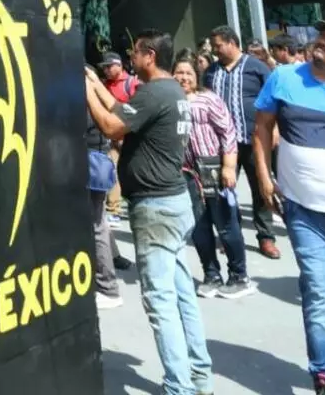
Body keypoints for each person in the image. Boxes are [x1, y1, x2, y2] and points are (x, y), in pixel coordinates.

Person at [86, 31, 213, 395]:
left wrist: (84, 93)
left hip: (156, 208)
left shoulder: (154, 93)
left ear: (150, 56)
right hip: (174, 203)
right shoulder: (169, 91)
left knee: (160, 301)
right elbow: (121, 110)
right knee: (182, 294)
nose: (131, 57)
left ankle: (179, 387)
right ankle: (199, 377)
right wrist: (95, 84)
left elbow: (111, 126)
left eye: (136, 52)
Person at [254, 20, 325, 395]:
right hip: (304, 213)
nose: (322, 42)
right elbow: (262, 127)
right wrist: (264, 177)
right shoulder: (284, 78)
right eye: (322, 35)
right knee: (320, 293)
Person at [173, 51, 253, 300]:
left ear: (196, 76)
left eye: (188, 73)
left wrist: (229, 167)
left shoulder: (208, 99)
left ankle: (239, 276)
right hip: (186, 172)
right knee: (199, 226)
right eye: (179, 72)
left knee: (226, 225)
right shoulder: (171, 101)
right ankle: (211, 275)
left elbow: (228, 132)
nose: (183, 77)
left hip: (213, 168)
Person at [205, 24, 280, 259]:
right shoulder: (211, 71)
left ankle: (266, 237)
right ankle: (231, 235)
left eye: (218, 45)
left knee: (260, 187)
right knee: (224, 190)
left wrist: (275, 128)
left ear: (231, 43)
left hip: (252, 139)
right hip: (223, 144)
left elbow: (274, 99)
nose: (215, 50)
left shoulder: (256, 67)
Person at [85, 97, 123, 311]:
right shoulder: (94, 89)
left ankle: (107, 287)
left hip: (88, 161)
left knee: (96, 226)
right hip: (95, 160)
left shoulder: (84, 90)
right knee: (97, 225)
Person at [100, 52, 139, 222]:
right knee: (113, 171)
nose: (106, 70)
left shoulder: (132, 83)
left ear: (119, 65)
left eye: (109, 66)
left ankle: (134, 204)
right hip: (112, 138)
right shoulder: (103, 85)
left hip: (129, 137)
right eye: (104, 67)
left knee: (133, 173)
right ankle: (113, 208)